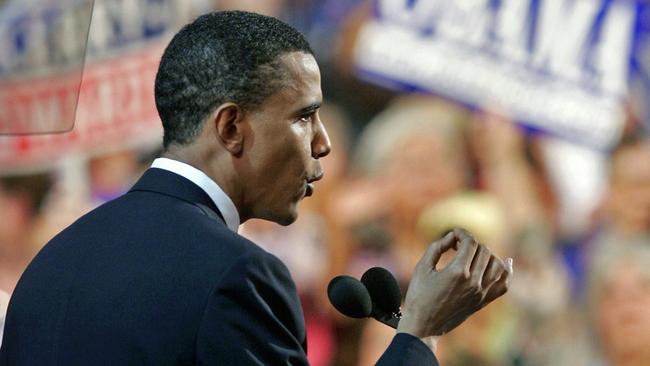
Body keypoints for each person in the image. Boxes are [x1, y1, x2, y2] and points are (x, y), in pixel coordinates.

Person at [0, 11, 512, 365]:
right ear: (230, 128)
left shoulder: (53, 261)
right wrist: (420, 332)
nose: (325, 143)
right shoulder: (237, 275)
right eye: (304, 117)